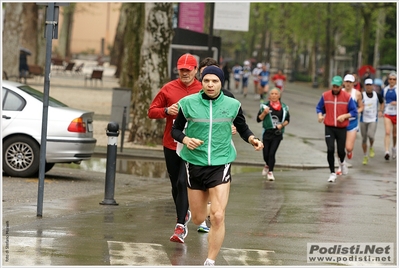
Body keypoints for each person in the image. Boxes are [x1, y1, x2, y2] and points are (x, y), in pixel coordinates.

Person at [171, 66, 264, 266]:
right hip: (194, 163)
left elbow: (242, 127)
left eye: (215, 81)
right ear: (201, 82)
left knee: (219, 216)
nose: (210, 85)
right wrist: (186, 140)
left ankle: (210, 261)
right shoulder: (188, 103)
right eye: (207, 81)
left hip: (220, 163)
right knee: (197, 219)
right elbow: (175, 130)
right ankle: (206, 208)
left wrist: (253, 139)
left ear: (222, 83)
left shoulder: (232, 104)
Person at [147, 53, 201, 243]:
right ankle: (183, 212)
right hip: (171, 143)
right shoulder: (169, 88)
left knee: (182, 182)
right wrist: (166, 111)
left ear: (195, 70)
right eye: (181, 70)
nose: (185, 73)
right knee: (174, 184)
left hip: (192, 145)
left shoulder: (203, 90)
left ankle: (180, 226)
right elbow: (151, 111)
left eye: (188, 70)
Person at [195, 57, 248, 233]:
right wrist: (185, 139)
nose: (210, 81)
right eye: (205, 75)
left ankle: (213, 215)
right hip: (194, 153)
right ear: (200, 75)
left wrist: (234, 128)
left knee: (216, 198)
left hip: (220, 152)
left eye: (214, 77)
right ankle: (195, 215)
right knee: (193, 198)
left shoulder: (229, 98)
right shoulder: (191, 99)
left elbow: (237, 121)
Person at [316, 76, 358, 182]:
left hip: (341, 127)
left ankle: (342, 163)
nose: (335, 88)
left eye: (337, 87)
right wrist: (320, 115)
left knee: (340, 150)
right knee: (330, 149)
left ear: (341, 86)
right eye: (333, 86)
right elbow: (319, 107)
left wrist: (344, 116)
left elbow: (354, 111)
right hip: (329, 127)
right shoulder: (325, 95)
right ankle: (332, 173)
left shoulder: (347, 97)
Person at [257, 88, 290, 181]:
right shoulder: (264, 106)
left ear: (279, 96)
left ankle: (270, 172)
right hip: (267, 132)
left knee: (272, 153)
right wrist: (264, 113)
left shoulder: (284, 107)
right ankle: (267, 165)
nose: (274, 95)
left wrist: (282, 125)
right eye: (272, 93)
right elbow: (258, 119)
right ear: (269, 95)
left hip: (277, 134)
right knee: (265, 154)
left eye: (276, 94)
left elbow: (288, 120)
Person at [360, 78, 384, 165]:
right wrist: (359, 108)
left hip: (373, 119)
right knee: (363, 139)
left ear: (373, 86)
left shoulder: (377, 95)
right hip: (363, 119)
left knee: (371, 135)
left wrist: (381, 111)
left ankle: (371, 147)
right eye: (367, 85)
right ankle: (365, 155)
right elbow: (358, 104)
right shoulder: (361, 95)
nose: (369, 86)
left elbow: (382, 102)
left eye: (370, 85)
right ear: (365, 86)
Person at [340, 74, 364, 163]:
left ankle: (349, 152)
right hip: (341, 122)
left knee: (348, 147)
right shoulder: (339, 92)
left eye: (350, 82)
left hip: (352, 122)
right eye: (346, 82)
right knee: (340, 147)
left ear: (353, 83)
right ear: (343, 83)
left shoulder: (357, 93)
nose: (348, 84)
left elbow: (361, 106)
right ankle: (340, 166)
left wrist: (356, 111)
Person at [382, 72, 397, 160]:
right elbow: (383, 101)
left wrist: (396, 103)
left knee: (395, 134)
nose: (392, 81)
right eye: (390, 79)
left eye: (394, 79)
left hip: (396, 114)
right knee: (387, 132)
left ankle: (394, 148)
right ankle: (386, 151)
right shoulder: (385, 89)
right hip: (387, 113)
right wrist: (381, 110)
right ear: (388, 80)